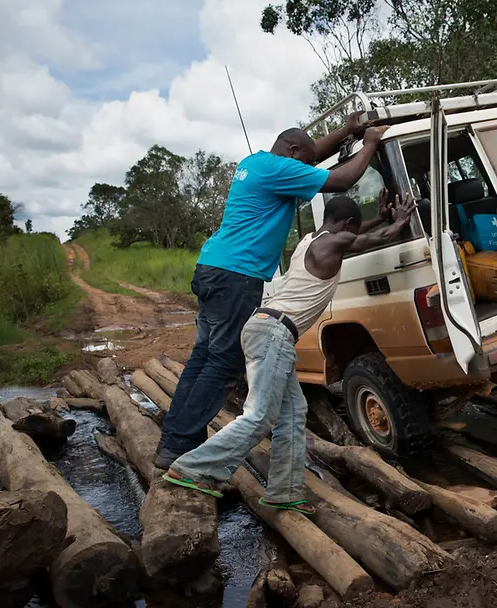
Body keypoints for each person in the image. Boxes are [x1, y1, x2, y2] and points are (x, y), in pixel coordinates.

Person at [155, 115, 389, 470]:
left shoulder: (257, 163)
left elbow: (311, 153)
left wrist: (346, 131)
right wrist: (370, 141)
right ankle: (184, 451)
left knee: (203, 359)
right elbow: (342, 179)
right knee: (223, 365)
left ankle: (174, 441)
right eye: (305, 161)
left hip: (213, 267)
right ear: (292, 151)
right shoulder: (278, 170)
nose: (308, 169)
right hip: (237, 275)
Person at [162, 190, 417, 513]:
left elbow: (356, 232)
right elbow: (376, 238)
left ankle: (284, 491)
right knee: (259, 415)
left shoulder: (311, 239)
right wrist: (399, 220)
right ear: (347, 224)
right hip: (273, 334)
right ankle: (193, 468)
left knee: (293, 413)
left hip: (266, 328)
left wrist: (379, 217)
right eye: (354, 226)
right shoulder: (332, 244)